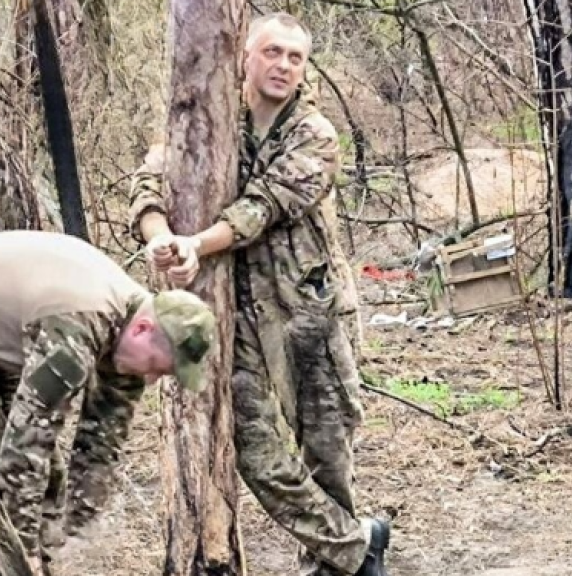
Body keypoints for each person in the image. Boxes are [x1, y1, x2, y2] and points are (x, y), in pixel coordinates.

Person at [127, 12, 389, 576]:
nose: (284, 66)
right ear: (244, 56)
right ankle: (358, 547)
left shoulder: (314, 135)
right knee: (256, 452)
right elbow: (150, 180)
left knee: (327, 451)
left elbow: (262, 208)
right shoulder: (208, 118)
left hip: (311, 313)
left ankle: (331, 564)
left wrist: (197, 242)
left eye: (295, 57)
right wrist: (161, 240)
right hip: (241, 319)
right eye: (272, 52)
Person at [0, 229, 216, 573]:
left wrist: (75, 541)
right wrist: (23, 552)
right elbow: (27, 445)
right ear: (143, 330)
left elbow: (101, 441)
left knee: (45, 483)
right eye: (157, 366)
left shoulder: (134, 319)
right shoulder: (77, 328)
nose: (151, 379)